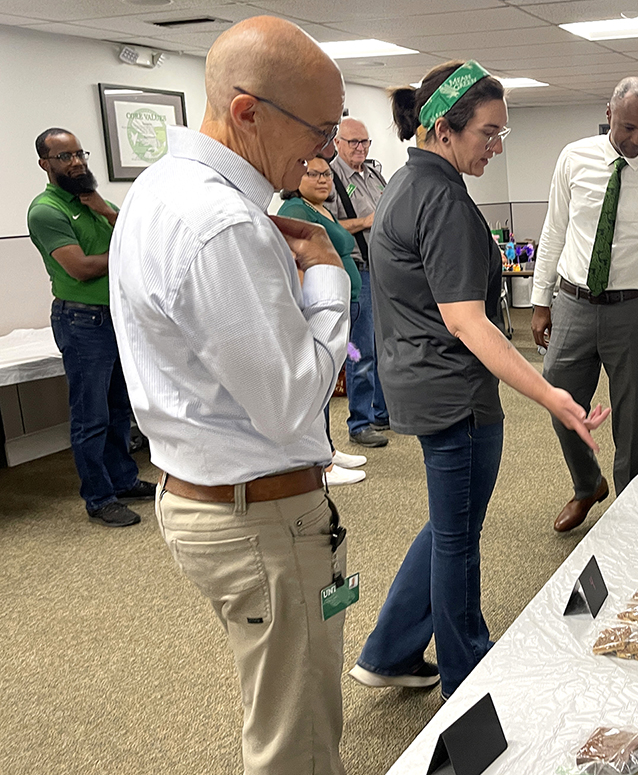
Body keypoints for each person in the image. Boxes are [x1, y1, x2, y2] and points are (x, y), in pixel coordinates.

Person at [108, 17, 352, 775]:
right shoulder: (219, 223)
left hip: (228, 499)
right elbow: (288, 401)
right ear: (247, 111)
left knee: (288, 707)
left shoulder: (166, 190)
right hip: (261, 519)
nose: (327, 149)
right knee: (297, 742)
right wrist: (327, 276)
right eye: (321, 127)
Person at [347, 60, 608, 701]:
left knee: (447, 522)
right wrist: (551, 394)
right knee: (459, 538)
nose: (495, 145)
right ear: (443, 128)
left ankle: (389, 651)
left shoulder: (404, 188)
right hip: (454, 394)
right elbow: (470, 322)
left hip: (421, 382)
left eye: (501, 134)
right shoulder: (443, 202)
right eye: (488, 133)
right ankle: (467, 674)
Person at [530, 77, 638, 533]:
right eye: (627, 127)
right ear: (608, 114)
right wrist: (540, 301)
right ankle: (588, 485)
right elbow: (553, 231)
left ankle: (630, 508)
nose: (637, 140)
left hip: (633, 310)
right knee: (558, 396)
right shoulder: (573, 158)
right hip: (573, 303)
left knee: (633, 417)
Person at [26, 128, 155, 527]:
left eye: (79, 153)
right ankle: (99, 498)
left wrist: (104, 210)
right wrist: (122, 252)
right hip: (82, 321)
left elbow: (139, 238)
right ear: (45, 163)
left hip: (116, 317)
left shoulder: (93, 202)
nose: (77, 161)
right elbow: (80, 268)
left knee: (119, 410)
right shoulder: (47, 210)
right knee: (91, 416)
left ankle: (124, 479)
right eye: (64, 156)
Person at [278, 156, 368, 486]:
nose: (322, 179)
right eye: (313, 174)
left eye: (327, 174)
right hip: (319, 308)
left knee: (331, 382)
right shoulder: (295, 211)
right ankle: (319, 463)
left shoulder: (323, 210)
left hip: (346, 302)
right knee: (319, 381)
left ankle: (327, 450)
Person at [330, 117, 391, 448]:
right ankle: (360, 421)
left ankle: (383, 411)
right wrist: (367, 221)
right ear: (338, 143)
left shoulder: (374, 174)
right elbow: (329, 225)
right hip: (357, 270)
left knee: (385, 346)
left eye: (365, 142)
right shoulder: (331, 178)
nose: (360, 148)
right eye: (353, 142)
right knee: (361, 350)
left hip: (384, 269)